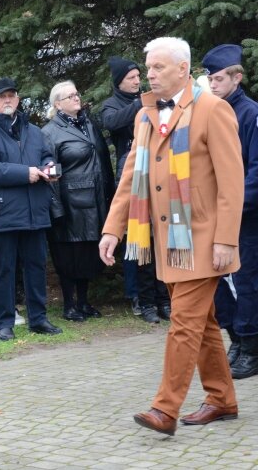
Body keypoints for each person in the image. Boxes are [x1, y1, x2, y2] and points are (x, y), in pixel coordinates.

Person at [99, 37, 244, 436]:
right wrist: (113, 228)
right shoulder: (145, 115)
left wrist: (226, 240)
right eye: (148, 69)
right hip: (167, 238)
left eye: (158, 68)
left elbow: (233, 183)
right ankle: (221, 399)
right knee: (203, 324)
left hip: (202, 235)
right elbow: (131, 176)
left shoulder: (214, 109)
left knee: (183, 323)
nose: (150, 75)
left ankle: (165, 408)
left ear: (183, 69)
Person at [0, 77, 63, 341]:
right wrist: (26, 173)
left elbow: (46, 155)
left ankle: (38, 319)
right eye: (2, 96)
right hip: (1, 212)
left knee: (36, 266)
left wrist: (50, 168)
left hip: (35, 209)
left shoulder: (32, 130)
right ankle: (3, 322)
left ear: (18, 99)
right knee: (4, 269)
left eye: (12, 95)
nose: (7, 100)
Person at [203, 44, 258, 380]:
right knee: (216, 281)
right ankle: (235, 339)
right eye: (209, 79)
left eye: (218, 79)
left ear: (236, 77)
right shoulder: (210, 111)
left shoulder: (251, 114)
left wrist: (235, 208)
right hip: (214, 214)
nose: (213, 85)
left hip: (246, 216)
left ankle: (251, 350)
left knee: (246, 282)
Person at [101, 56, 170, 322]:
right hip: (133, 175)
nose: (137, 81)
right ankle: (145, 300)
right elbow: (112, 123)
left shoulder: (155, 100)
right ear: (119, 81)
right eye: (131, 77)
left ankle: (164, 298)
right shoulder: (112, 105)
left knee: (162, 238)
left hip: (159, 172)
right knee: (141, 239)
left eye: (137, 76)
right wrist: (141, 105)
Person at [42, 80, 115, 321]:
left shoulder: (88, 125)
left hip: (95, 200)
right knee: (67, 254)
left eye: (77, 94)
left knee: (88, 252)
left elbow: (103, 161)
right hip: (70, 202)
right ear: (57, 104)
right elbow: (49, 173)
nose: (76, 98)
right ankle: (69, 304)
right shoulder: (50, 132)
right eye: (70, 96)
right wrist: (56, 208)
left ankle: (84, 301)